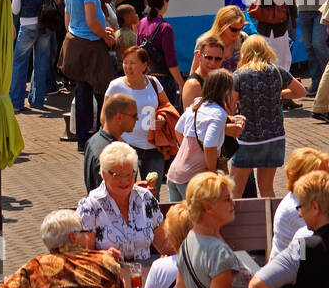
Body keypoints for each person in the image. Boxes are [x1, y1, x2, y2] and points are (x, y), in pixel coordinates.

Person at [229, 35, 305, 198]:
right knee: (267, 189)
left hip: (247, 140)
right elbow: (301, 92)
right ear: (266, 51)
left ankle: (236, 223)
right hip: (275, 138)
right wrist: (278, 94)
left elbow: (230, 105)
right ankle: (270, 222)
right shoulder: (278, 71)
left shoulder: (239, 75)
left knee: (235, 190)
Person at [58, 0, 116, 152]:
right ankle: (102, 134)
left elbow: (68, 19)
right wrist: (106, 36)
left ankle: (83, 138)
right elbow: (92, 21)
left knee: (83, 91)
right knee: (104, 90)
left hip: (76, 41)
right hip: (92, 45)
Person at [77, 140, 168, 264]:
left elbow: (164, 244)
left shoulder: (145, 198)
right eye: (117, 175)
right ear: (104, 174)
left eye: (129, 174)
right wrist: (102, 255)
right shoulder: (90, 206)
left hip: (143, 277)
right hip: (109, 277)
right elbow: (83, 255)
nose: (124, 181)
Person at [167, 70, 242, 201]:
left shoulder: (195, 106)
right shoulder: (218, 113)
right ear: (225, 91)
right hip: (193, 180)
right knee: (201, 221)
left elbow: (178, 130)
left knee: (178, 220)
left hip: (174, 174)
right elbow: (209, 146)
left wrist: (188, 151)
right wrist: (212, 173)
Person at [104, 47, 171, 189]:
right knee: (126, 191)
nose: (127, 67)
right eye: (125, 62)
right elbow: (104, 118)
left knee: (153, 192)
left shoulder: (153, 82)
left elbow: (166, 104)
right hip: (127, 147)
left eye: (132, 63)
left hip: (153, 146)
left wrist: (162, 118)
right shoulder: (115, 86)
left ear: (145, 65)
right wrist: (120, 142)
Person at [269, 146, 329, 260]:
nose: (328, 181)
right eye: (322, 177)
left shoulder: (309, 201)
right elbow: (328, 240)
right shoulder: (295, 209)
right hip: (289, 273)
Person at [10, 0, 54, 112]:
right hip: (45, 24)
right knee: (41, 62)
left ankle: (16, 102)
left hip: (27, 24)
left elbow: (15, 10)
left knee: (19, 63)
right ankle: (37, 100)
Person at [82, 93, 139, 195]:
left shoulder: (93, 140)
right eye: (134, 115)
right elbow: (112, 197)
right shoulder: (110, 154)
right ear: (119, 117)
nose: (137, 119)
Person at [137, 0, 184, 106]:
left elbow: (137, 50)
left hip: (146, 78)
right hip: (163, 81)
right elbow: (171, 60)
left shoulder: (142, 23)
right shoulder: (165, 27)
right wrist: (180, 82)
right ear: (164, 1)